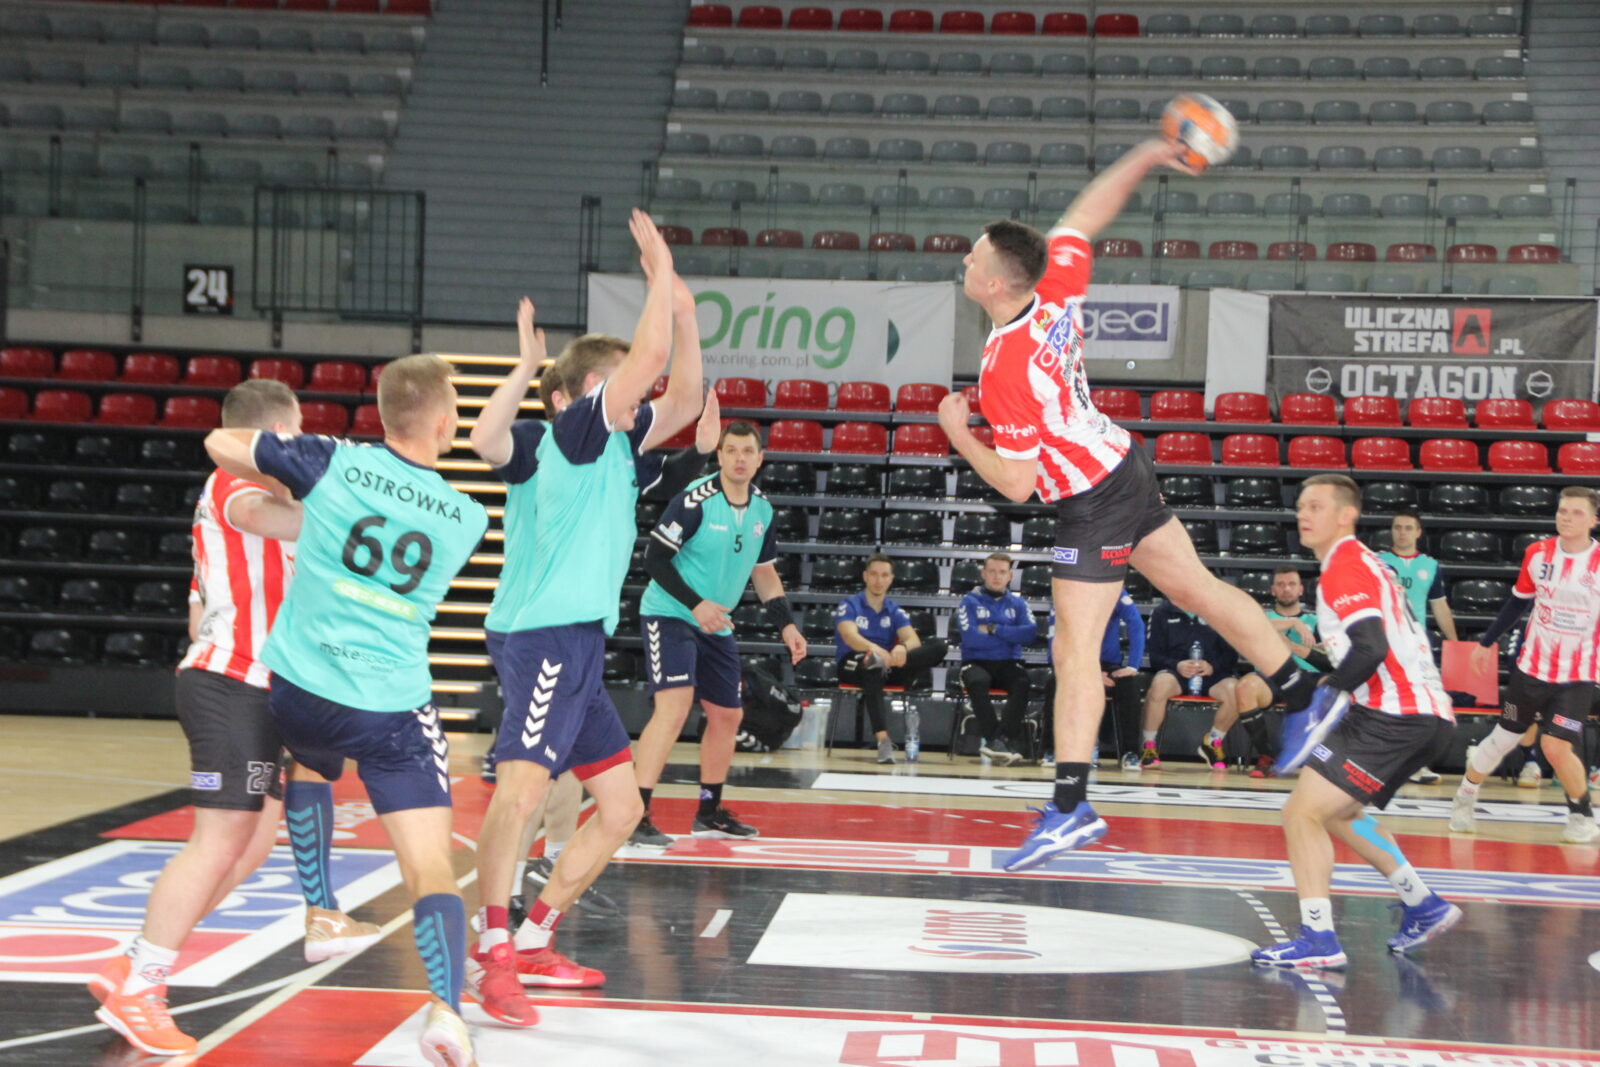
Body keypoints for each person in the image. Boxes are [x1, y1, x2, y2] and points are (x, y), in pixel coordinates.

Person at [936, 136, 1305, 871]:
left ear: (998, 282)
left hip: (1092, 496)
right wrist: (1145, 154)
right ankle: (1304, 692)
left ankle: (1070, 806)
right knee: (1199, 589)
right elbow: (1081, 218)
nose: (965, 262)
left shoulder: (1005, 367)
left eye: (973, 258)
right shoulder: (1052, 288)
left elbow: (1017, 485)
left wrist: (958, 434)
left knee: (1074, 650)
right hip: (1122, 461)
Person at [203, 355, 494, 1062]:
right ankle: (446, 1011)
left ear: (384, 413)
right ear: (445, 421)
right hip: (388, 705)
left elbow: (219, 441)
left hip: (301, 691)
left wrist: (285, 468)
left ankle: (322, 910)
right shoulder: (467, 516)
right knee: (428, 865)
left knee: (311, 760)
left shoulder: (332, 461)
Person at [466, 210, 704, 1021]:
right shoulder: (572, 431)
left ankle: (535, 937)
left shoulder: (617, 447)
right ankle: (492, 949)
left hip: (576, 640)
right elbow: (647, 367)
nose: (635, 400)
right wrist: (658, 276)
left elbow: (684, 396)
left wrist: (684, 314)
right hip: (545, 634)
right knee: (521, 791)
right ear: (580, 395)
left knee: (623, 807)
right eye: (619, 389)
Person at [91, 382, 374, 1055]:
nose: (300, 445)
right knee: (218, 841)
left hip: (257, 686)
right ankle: (143, 989)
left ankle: (132, 962)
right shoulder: (232, 483)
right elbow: (271, 524)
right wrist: (360, 509)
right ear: (274, 432)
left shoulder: (270, 504)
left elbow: (204, 608)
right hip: (230, 684)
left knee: (249, 847)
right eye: (296, 432)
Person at [1252, 474, 1459, 968]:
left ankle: (1319, 938)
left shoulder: (1344, 565)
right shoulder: (1367, 563)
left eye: (1316, 506)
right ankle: (1423, 904)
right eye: (1301, 506)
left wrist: (1326, 694)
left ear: (1347, 515)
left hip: (1393, 715)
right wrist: (1325, 672)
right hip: (1424, 714)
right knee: (1338, 813)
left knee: (1301, 814)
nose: (1303, 515)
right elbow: (1368, 648)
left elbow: (1371, 648)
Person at [629, 419, 808, 846]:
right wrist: (696, 604)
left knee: (728, 715)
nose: (740, 459)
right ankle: (634, 815)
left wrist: (786, 624)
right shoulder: (695, 500)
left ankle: (709, 812)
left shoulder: (763, 509)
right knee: (674, 708)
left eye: (748, 452)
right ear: (720, 456)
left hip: (715, 623)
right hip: (671, 613)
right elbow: (654, 560)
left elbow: (764, 573)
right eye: (731, 451)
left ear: (760, 459)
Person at [1449, 486, 1600, 844]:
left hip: (1577, 674)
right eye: (1562, 510)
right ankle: (1464, 796)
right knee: (1504, 738)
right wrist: (1486, 642)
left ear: (1593, 521)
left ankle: (1581, 815)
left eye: (1576, 512)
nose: (1566, 517)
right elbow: (1518, 602)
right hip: (1532, 668)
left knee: (1556, 746)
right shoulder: (1538, 553)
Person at [834, 554, 950, 764]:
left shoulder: (894, 609)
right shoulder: (850, 605)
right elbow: (850, 636)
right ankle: (883, 741)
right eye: (874, 574)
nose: (879, 580)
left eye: (884, 575)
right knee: (872, 665)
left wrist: (901, 648)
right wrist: (875, 649)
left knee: (939, 646)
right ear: (865, 576)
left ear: (891, 579)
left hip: (887, 665)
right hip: (853, 663)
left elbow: (913, 639)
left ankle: (886, 664)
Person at [1377, 509, 1457, 784]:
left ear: (1418, 532)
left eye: (1408, 528)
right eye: (1397, 527)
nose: (1402, 532)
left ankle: (1415, 765)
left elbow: (1440, 607)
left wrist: (1454, 642)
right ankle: (1383, 763)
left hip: (1416, 647)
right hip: (1384, 643)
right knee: (1385, 704)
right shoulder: (1378, 562)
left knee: (1420, 706)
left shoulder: (1430, 566)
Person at [1135, 600, 1241, 770]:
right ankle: (1149, 746)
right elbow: (1154, 656)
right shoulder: (1162, 612)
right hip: (1176, 673)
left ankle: (1213, 742)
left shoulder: (1218, 610)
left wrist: (1212, 667)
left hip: (1211, 674)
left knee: (1236, 690)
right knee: (1159, 686)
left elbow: (1231, 655)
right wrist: (1177, 665)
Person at [1236, 567, 1321, 778]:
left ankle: (1323, 761)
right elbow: (1255, 627)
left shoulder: (1316, 621)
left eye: (1292, 584)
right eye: (1281, 585)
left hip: (1307, 677)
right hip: (1271, 675)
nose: (1286, 589)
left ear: (1301, 589)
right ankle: (1266, 756)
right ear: (1273, 590)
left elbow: (1326, 655)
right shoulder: (1262, 617)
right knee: (1245, 687)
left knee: (1332, 687)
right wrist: (1293, 622)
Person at [956, 552, 1039, 766]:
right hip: (975, 662)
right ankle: (998, 741)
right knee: (977, 681)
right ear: (983, 573)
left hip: (1008, 663)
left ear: (1010, 576)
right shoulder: (969, 601)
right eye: (991, 571)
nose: (996, 576)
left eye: (1002, 572)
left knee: (1022, 683)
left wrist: (994, 629)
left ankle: (999, 740)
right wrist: (1010, 636)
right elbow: (970, 638)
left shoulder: (1018, 603)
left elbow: (1030, 634)